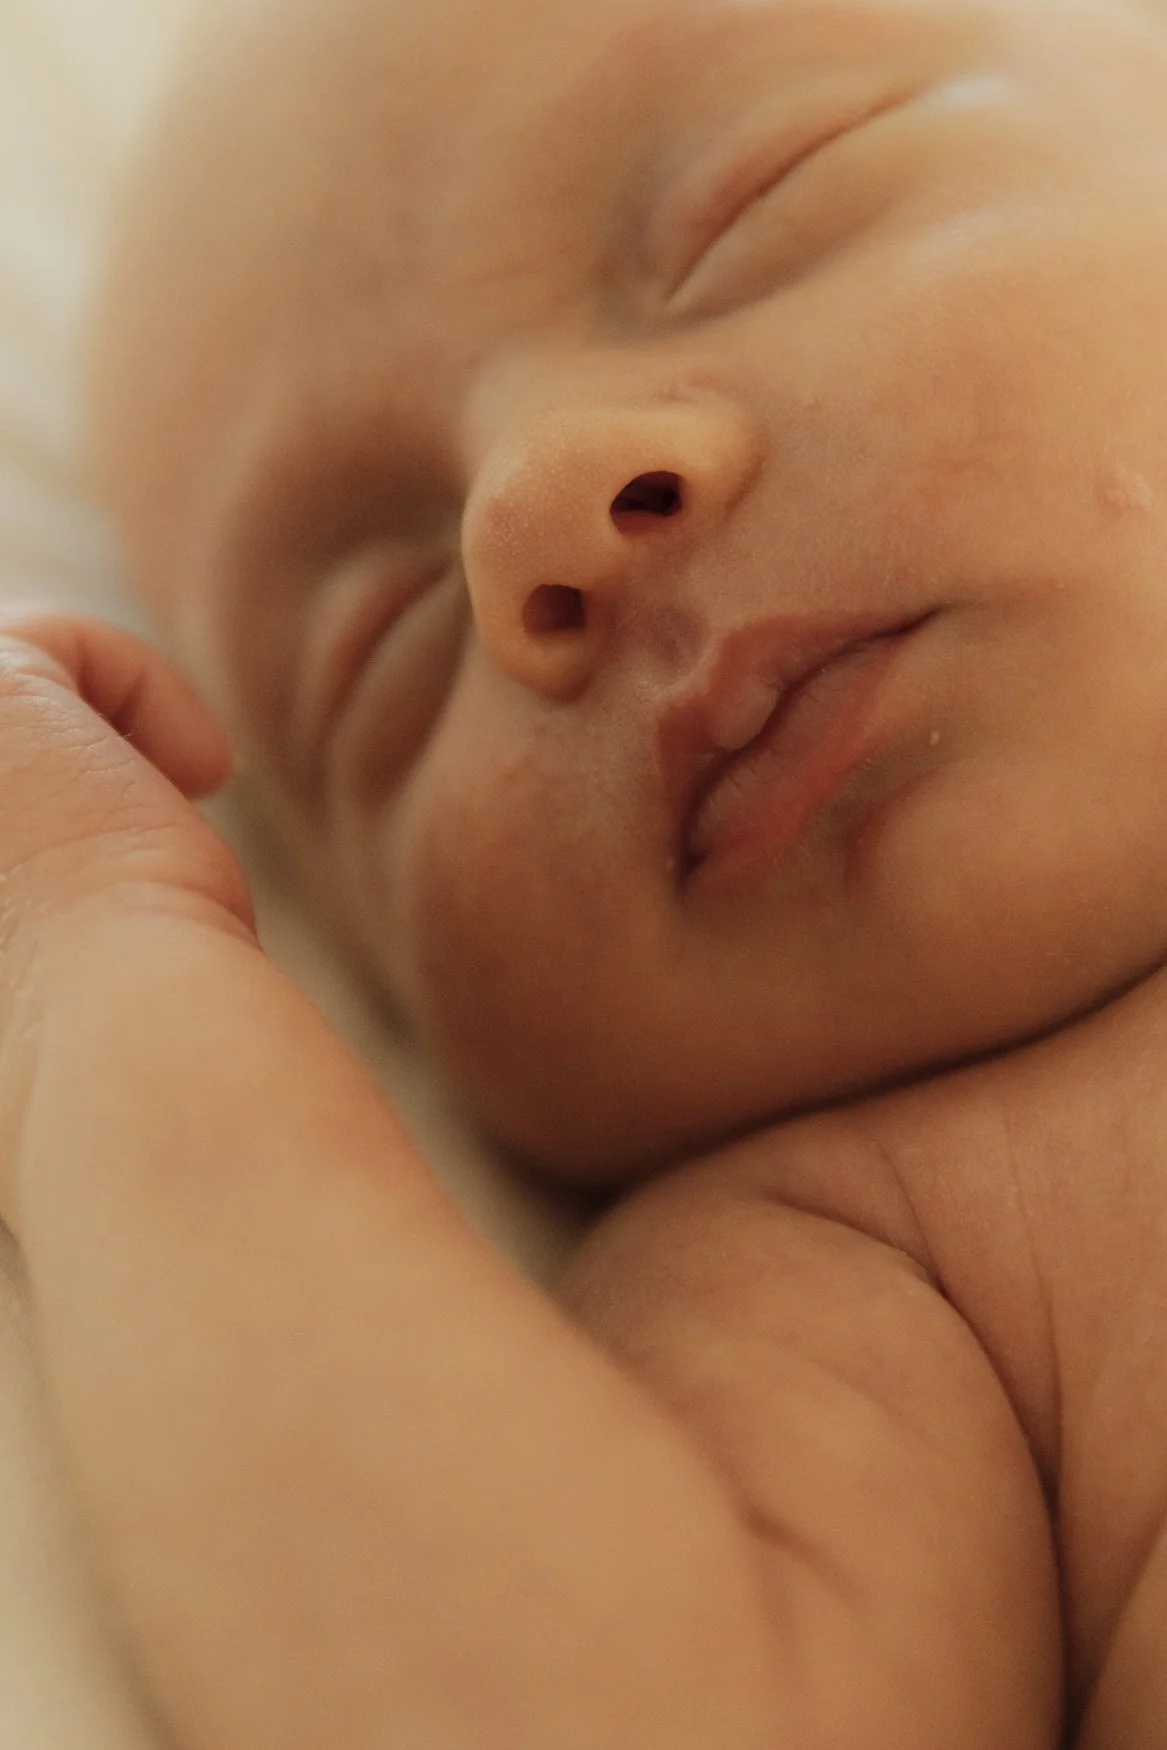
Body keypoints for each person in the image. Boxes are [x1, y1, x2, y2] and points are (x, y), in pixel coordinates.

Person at [5, 0, 1167, 1740]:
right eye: (386, 657)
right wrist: (88, 970)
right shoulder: (861, 1265)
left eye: (759, 210)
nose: (532, 501)